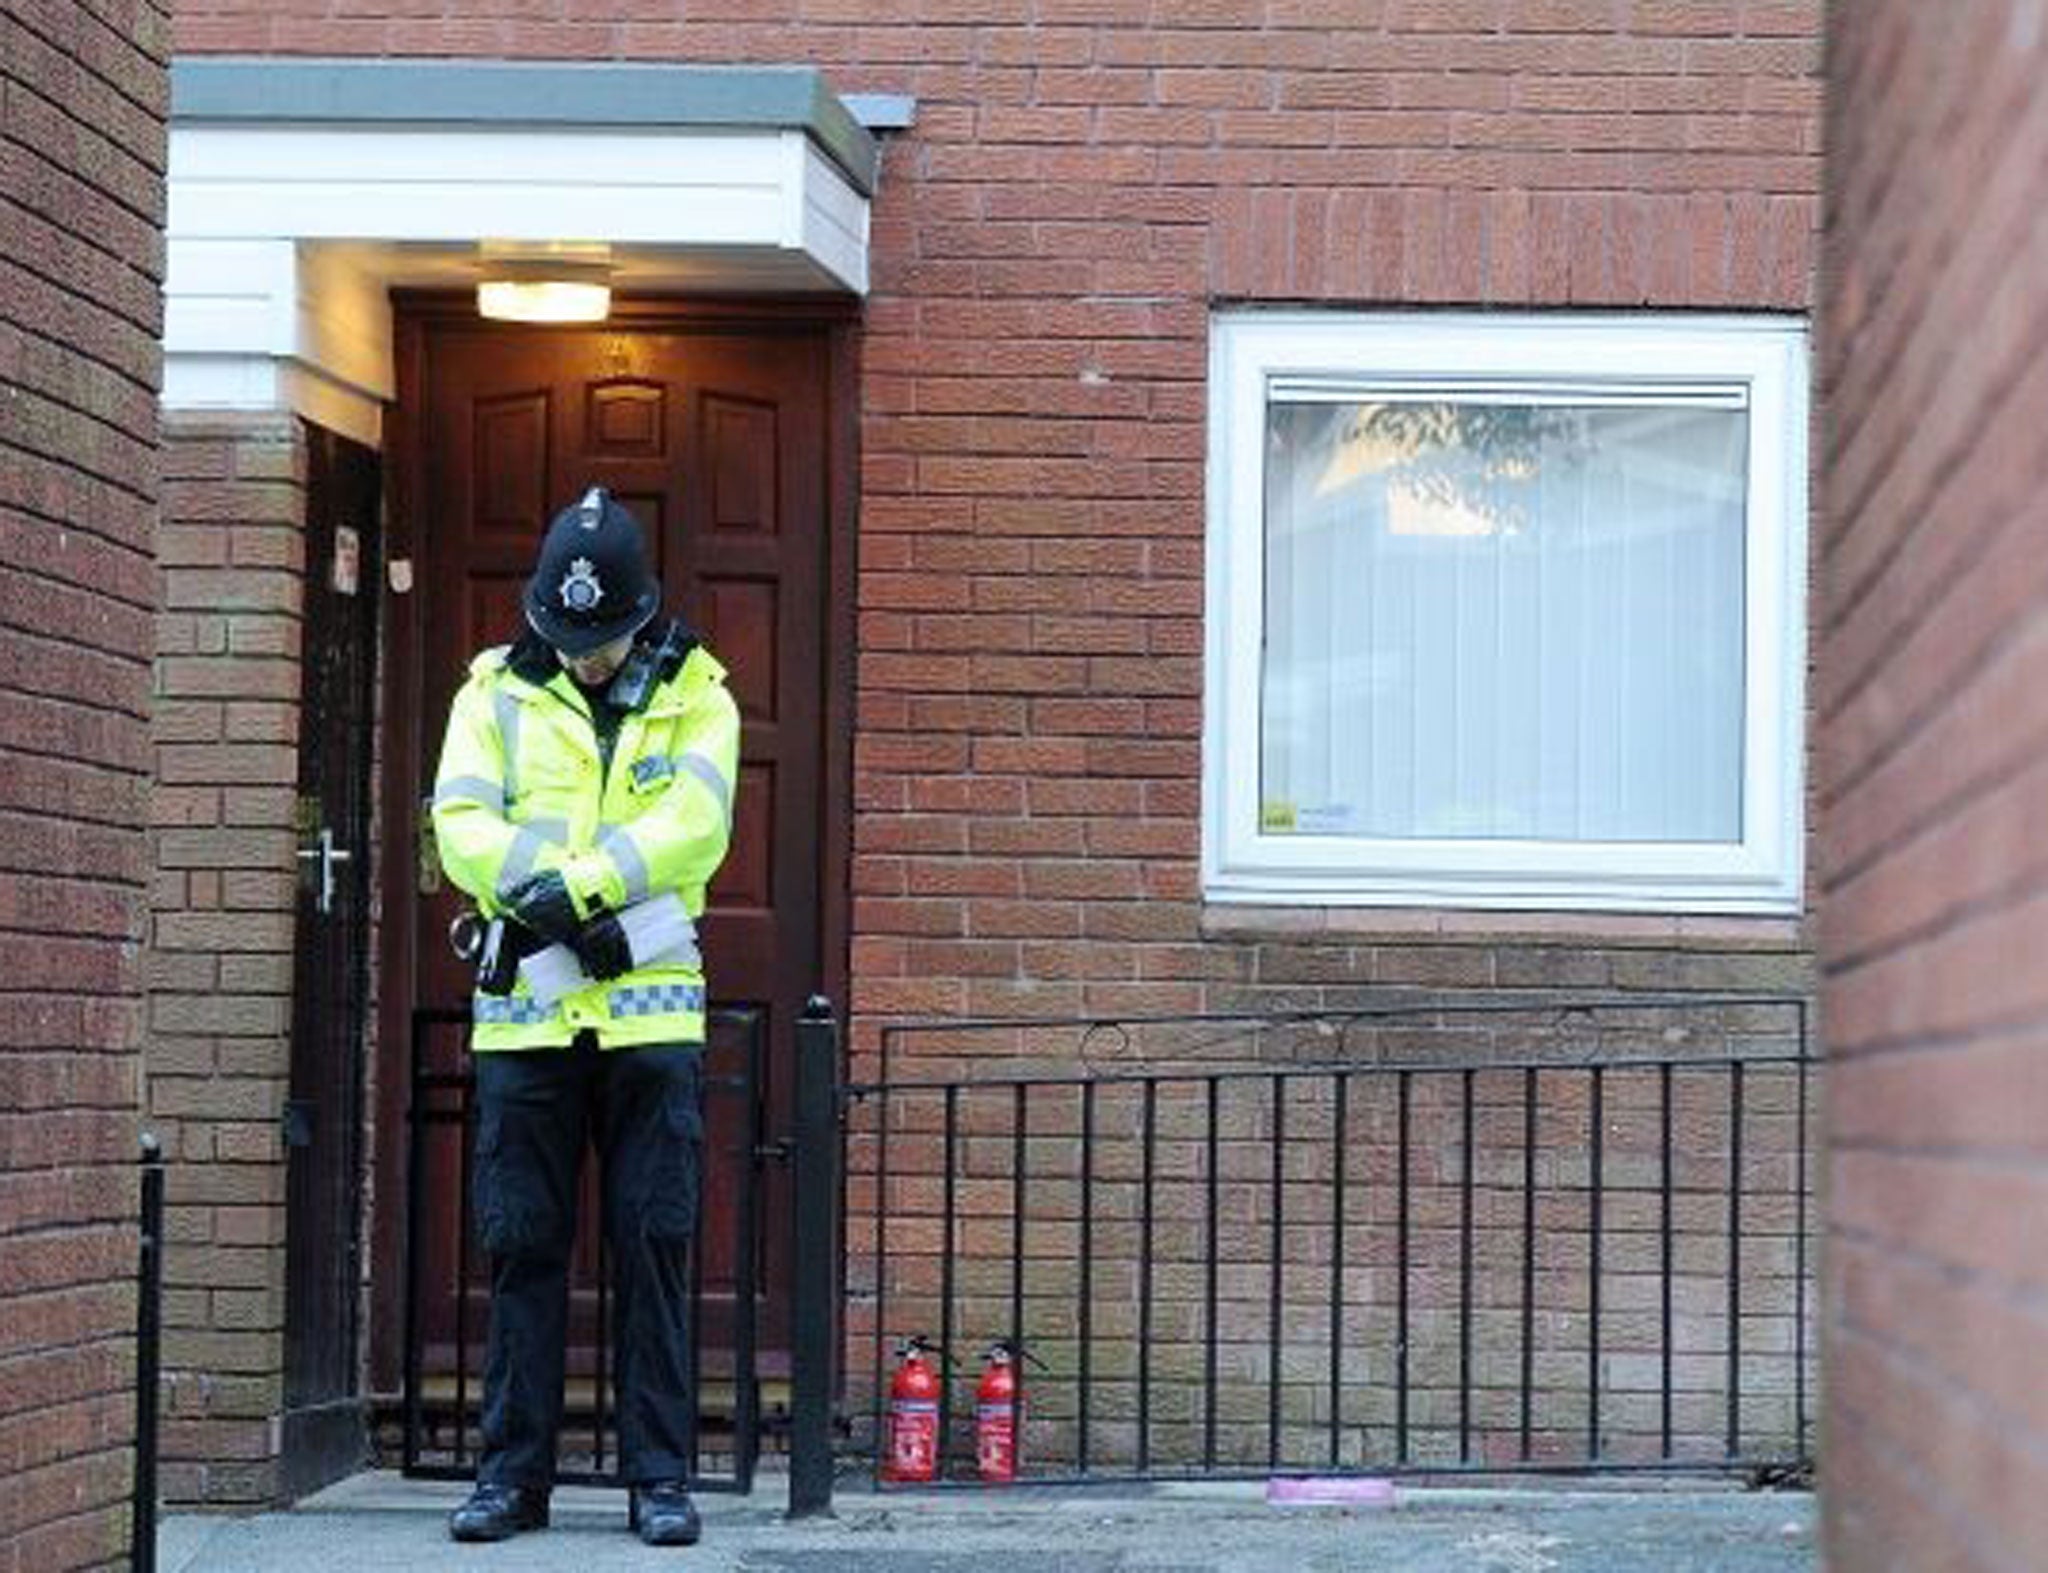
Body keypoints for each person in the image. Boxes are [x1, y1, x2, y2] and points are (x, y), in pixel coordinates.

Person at [431, 486, 739, 1546]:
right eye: (567, 637)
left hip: (649, 1019)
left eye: (603, 639)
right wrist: (554, 891)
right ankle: (511, 1481)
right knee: (521, 1247)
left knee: (653, 1245)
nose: (586, 657)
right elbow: (459, 819)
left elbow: (697, 824)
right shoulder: (492, 692)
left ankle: (660, 1480)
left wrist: (594, 883)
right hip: (527, 1019)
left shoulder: (699, 692)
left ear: (640, 613)